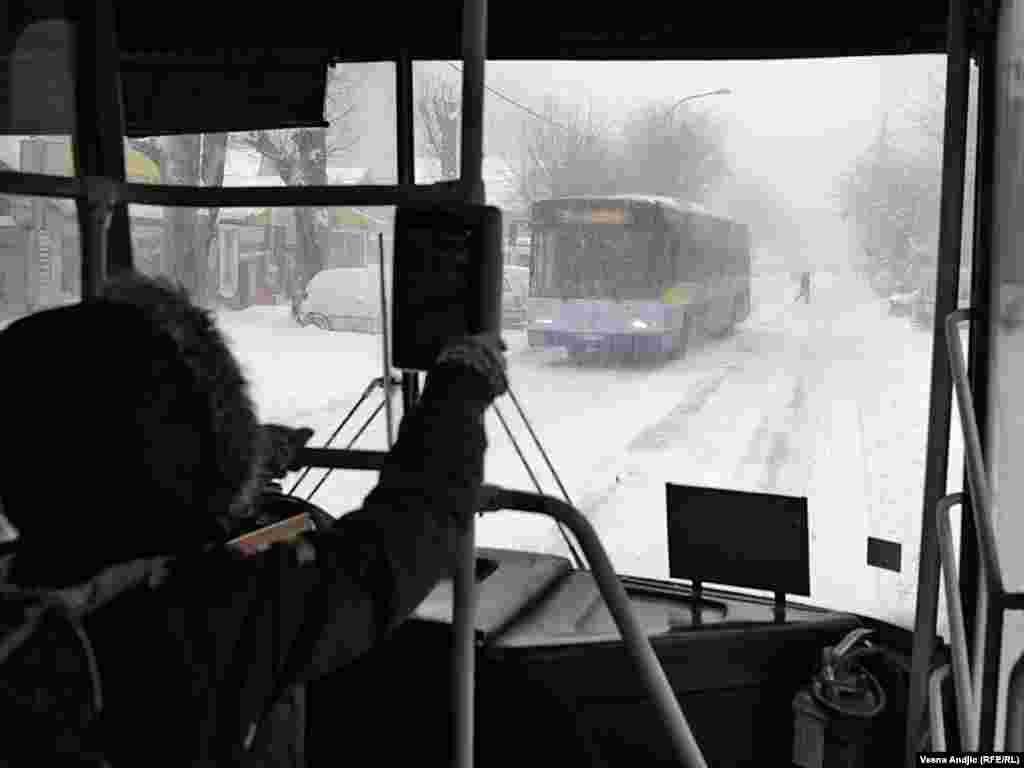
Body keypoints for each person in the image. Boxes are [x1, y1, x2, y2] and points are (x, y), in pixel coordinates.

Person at [0, 271, 507, 765]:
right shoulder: (214, 613)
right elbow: (395, 543)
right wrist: (458, 392)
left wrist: (241, 464)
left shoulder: (24, 605)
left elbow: (102, 472)